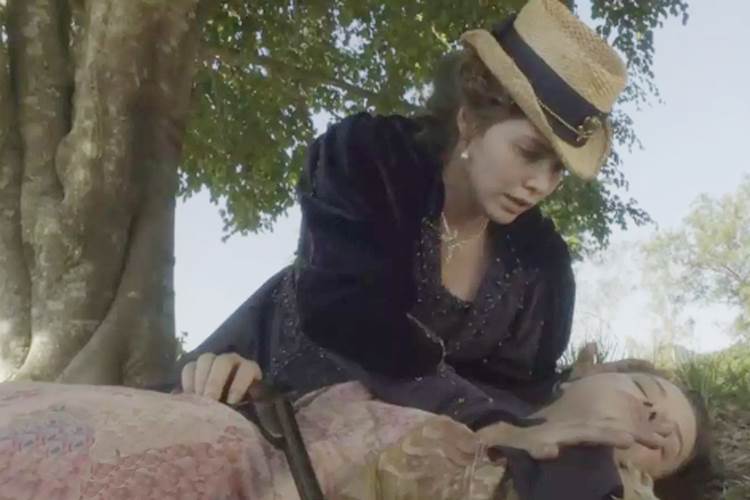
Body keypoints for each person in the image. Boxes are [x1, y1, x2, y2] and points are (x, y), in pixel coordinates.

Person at [176, 0, 663, 450]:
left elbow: (521, 392)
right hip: (247, 392)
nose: (540, 183)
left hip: (390, 455)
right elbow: (345, 319)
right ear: (470, 120)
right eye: (529, 152)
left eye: (558, 170)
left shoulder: (541, 266)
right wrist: (481, 418)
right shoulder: (371, 161)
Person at [0, 367, 714, 500]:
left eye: (668, 441)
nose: (653, 421)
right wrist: (227, 371)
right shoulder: (446, 368)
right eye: (647, 396)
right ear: (587, 372)